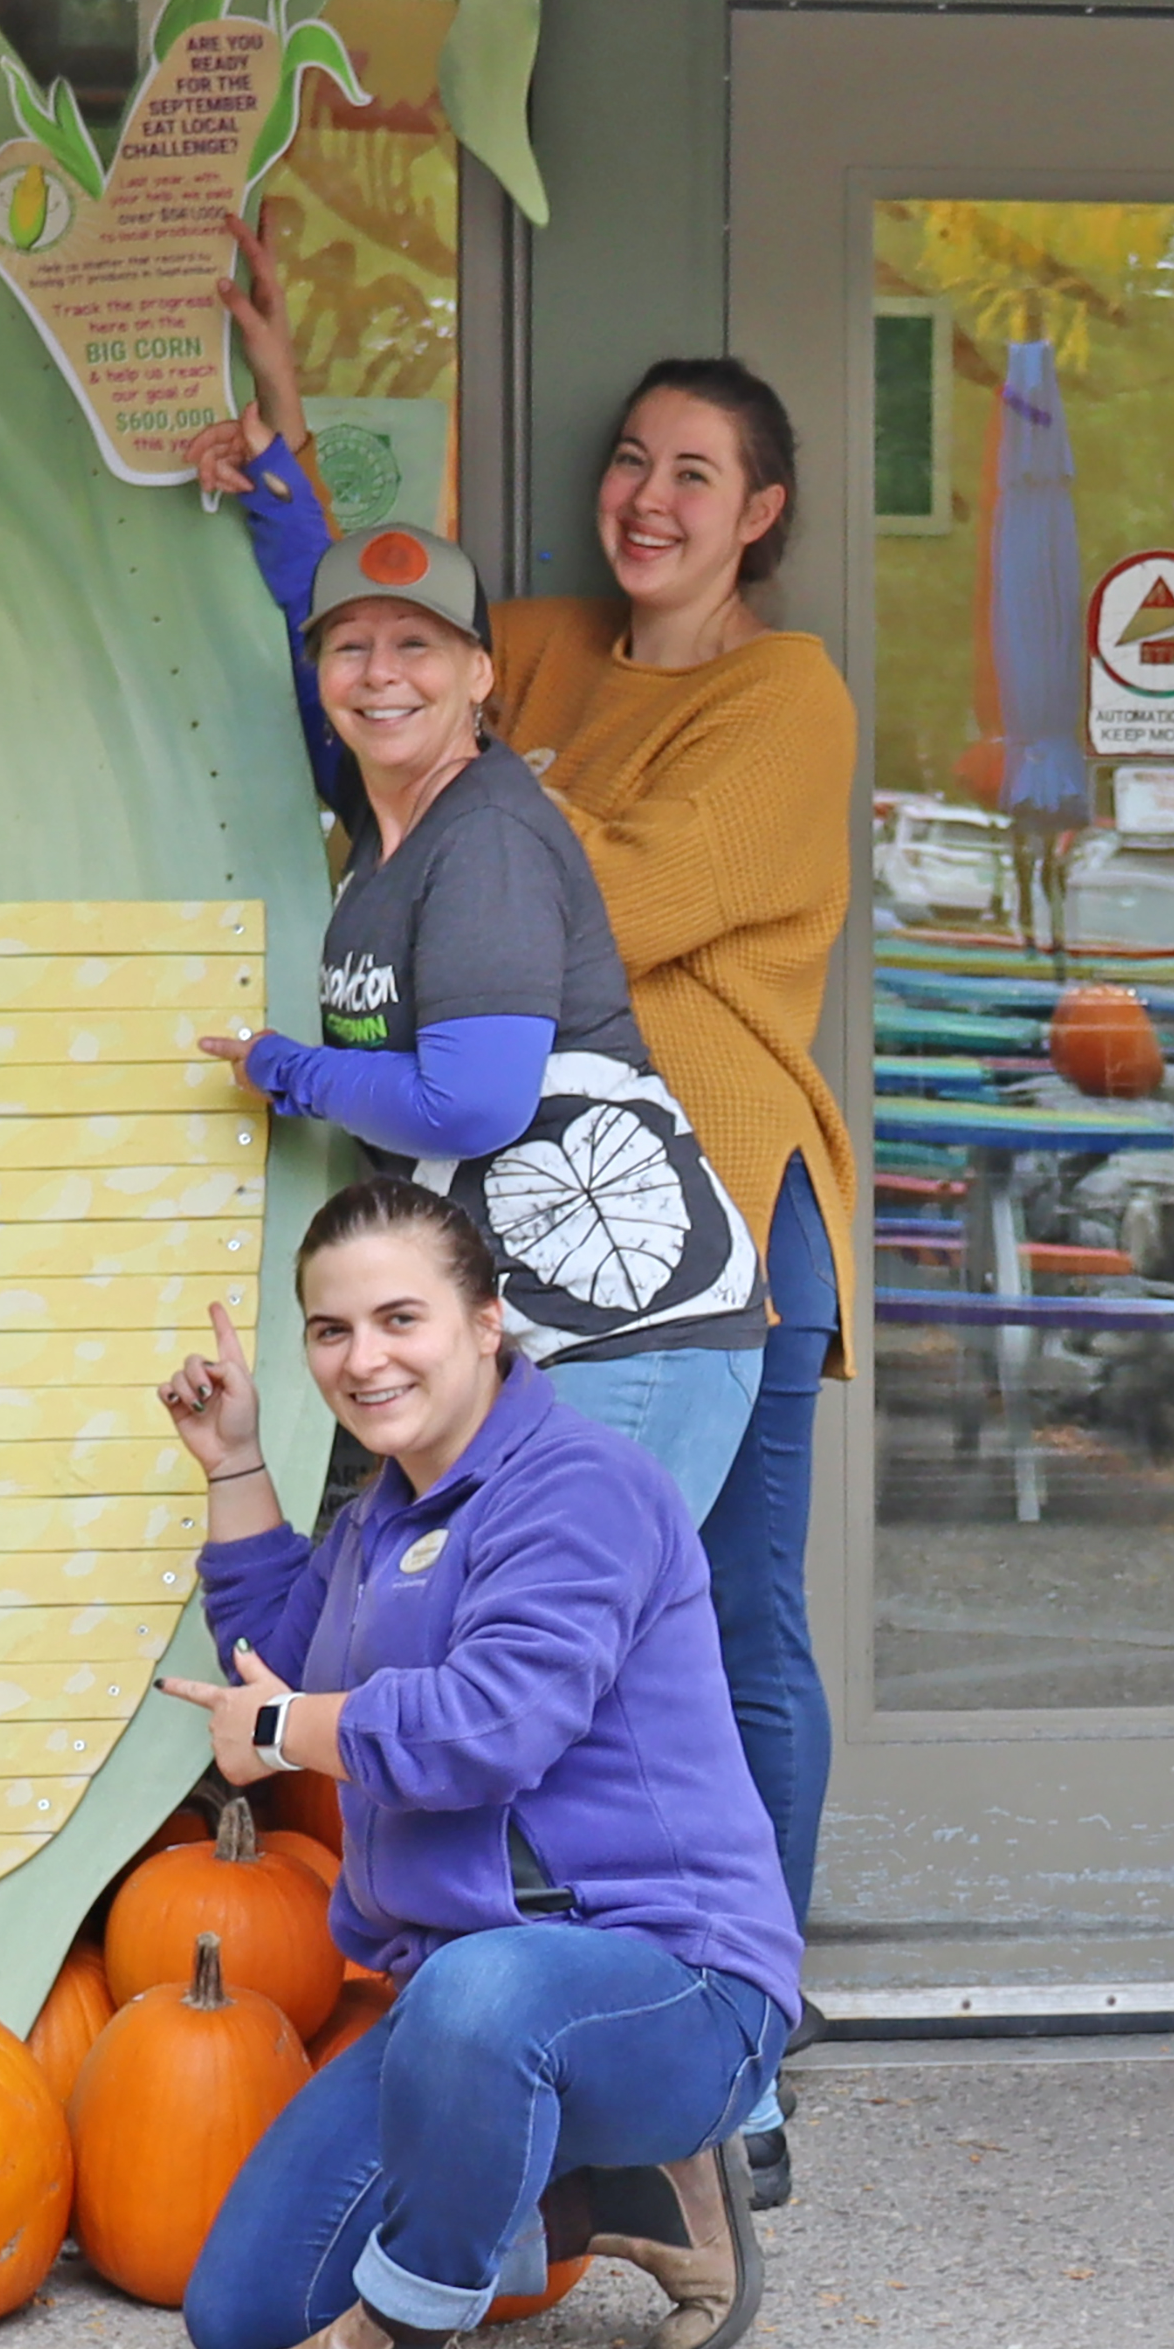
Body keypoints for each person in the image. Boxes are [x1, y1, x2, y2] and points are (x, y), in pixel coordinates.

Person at [197, 234, 849, 2205]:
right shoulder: (539, 653)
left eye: (697, 477)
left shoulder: (784, 695)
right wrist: (287, 455)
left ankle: (738, 2038)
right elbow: (381, 703)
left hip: (706, 1223)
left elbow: (578, 902)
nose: (650, 498)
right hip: (536, 1260)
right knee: (594, 1630)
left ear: (765, 517)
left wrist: (481, 839)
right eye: (631, 462)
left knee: (724, 1632)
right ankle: (607, 2033)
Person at [140, 1179, 799, 2349]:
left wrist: (280, 1736)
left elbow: (487, 1729)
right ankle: (646, 2188)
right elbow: (281, 1662)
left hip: (673, 1977)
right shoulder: (385, 1518)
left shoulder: (582, 1491)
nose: (363, 1356)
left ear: (487, 1320)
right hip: (474, 1997)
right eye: (331, 1330)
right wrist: (235, 1465)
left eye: (400, 1317)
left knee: (482, 1996)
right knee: (245, 2315)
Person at [178, 360, 772, 1488]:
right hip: (540, 1336)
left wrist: (283, 1070)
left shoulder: (486, 842)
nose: (381, 675)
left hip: (631, 1332)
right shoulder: (387, 798)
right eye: (353, 648)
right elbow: (324, 620)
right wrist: (272, 479)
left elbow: (475, 1101)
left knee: (546, 1654)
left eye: (420, 649)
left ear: (480, 675)